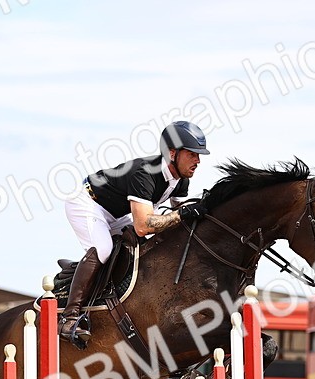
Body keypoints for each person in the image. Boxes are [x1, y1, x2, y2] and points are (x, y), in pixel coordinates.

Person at [59, 120, 211, 347]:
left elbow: (179, 221)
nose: (198, 161)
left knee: (147, 245)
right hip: (88, 203)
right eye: (192, 154)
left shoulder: (181, 180)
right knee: (103, 249)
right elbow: (144, 225)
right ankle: (69, 317)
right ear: (172, 153)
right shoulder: (145, 173)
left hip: (117, 212)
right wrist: (182, 215)